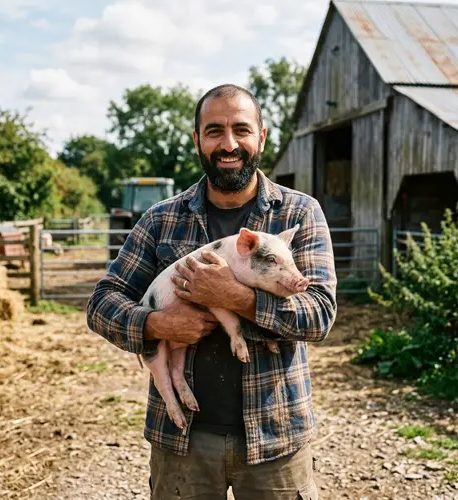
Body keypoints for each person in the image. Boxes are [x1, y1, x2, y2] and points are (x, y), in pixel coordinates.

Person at [86, 84, 337, 499]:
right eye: (214, 131)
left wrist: (231, 296)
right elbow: (102, 304)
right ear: (197, 140)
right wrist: (157, 323)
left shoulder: (298, 213)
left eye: (241, 129)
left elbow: (319, 315)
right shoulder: (161, 220)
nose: (229, 143)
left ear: (261, 136)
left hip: (276, 436)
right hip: (183, 442)